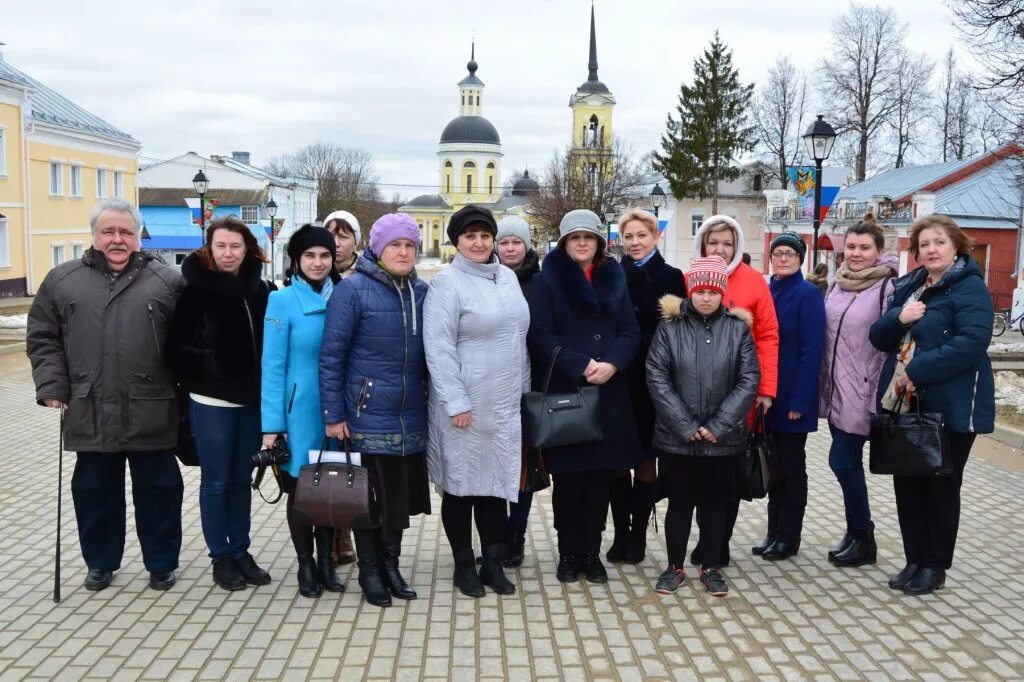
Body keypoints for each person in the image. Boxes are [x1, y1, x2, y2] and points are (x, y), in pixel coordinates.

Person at [27, 198, 185, 592]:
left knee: (160, 491)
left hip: (152, 406)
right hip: (89, 404)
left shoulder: (167, 282)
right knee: (95, 491)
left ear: (138, 236)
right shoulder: (63, 281)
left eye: (125, 232)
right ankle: (100, 562)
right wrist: (51, 386)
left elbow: (191, 342)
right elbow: (43, 336)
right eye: (109, 232)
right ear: (95, 235)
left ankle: (161, 563)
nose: (117, 239)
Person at [869, 214, 993, 596]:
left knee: (940, 486)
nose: (931, 249)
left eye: (939, 242)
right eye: (924, 244)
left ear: (956, 246)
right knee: (908, 483)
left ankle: (934, 565)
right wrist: (899, 317)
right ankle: (914, 559)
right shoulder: (912, 287)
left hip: (951, 406)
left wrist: (919, 370)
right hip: (905, 403)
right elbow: (878, 337)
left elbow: (973, 341)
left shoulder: (968, 288)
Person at [320, 213, 432, 608]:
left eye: (409, 246)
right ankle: (370, 570)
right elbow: (332, 355)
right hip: (366, 415)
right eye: (395, 245)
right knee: (369, 500)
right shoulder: (353, 291)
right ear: (378, 248)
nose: (403, 252)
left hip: (409, 415)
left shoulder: (421, 291)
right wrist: (334, 415)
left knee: (398, 501)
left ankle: (391, 564)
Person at [528, 209, 641, 584]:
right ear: (564, 242)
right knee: (570, 480)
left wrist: (612, 364)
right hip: (567, 393)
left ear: (598, 242)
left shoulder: (615, 277)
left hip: (608, 394)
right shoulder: (548, 281)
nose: (581, 243)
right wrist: (578, 365)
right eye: (574, 237)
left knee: (599, 482)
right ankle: (568, 553)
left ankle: (591, 554)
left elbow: (630, 332)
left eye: (588, 237)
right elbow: (541, 334)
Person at [424, 206, 530, 598]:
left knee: (494, 487)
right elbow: (437, 348)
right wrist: (456, 402)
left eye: (486, 235)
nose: (480, 242)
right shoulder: (447, 284)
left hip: (503, 402)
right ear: (457, 241)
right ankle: (463, 566)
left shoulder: (507, 278)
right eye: (470, 235)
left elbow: (520, 338)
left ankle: (493, 562)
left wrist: (524, 391)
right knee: (461, 487)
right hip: (465, 405)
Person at [168, 216, 274, 592]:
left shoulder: (261, 291)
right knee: (216, 481)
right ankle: (221, 557)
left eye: (235, 246)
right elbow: (176, 350)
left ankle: (241, 550)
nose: (228, 253)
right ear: (209, 249)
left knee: (241, 480)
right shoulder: (193, 291)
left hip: (251, 403)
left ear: (247, 250)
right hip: (211, 400)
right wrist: (214, 367)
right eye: (221, 246)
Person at [646, 256, 759, 597]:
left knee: (714, 505)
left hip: (722, 440)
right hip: (678, 439)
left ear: (722, 292)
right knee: (679, 504)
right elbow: (656, 376)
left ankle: (710, 566)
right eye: (700, 290)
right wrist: (685, 424)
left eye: (713, 291)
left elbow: (748, 379)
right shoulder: (669, 328)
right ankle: (674, 566)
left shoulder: (738, 330)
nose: (706, 297)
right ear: (690, 292)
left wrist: (719, 425)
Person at [261, 225, 345, 598]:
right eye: (309, 255)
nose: (317, 262)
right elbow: (272, 366)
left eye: (324, 255)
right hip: (299, 413)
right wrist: (273, 424)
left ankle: (328, 561)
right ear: (296, 259)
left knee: (329, 489)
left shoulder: (344, 296)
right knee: (301, 490)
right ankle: (306, 564)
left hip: (338, 411)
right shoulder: (282, 301)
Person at [690, 216, 779, 567]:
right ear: (703, 243)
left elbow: (769, 336)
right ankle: (705, 537)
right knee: (699, 472)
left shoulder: (754, 282)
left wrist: (766, 389)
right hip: (696, 393)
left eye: (727, 243)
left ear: (737, 246)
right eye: (714, 242)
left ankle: (720, 541)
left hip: (739, 393)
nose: (720, 249)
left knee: (727, 472)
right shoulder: (691, 278)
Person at [819, 213, 898, 567]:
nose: (856, 253)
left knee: (842, 461)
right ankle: (855, 533)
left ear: (879, 252)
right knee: (845, 462)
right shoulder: (839, 283)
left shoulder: (887, 287)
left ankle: (864, 536)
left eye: (864, 248)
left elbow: (889, 340)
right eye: (851, 246)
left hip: (865, 390)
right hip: (836, 388)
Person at [609, 208, 686, 565]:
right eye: (628, 236)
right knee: (615, 463)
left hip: (653, 382)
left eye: (642, 235)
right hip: (618, 380)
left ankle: (638, 535)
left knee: (644, 461)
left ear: (656, 236)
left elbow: (678, 330)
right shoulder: (612, 274)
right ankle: (620, 534)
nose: (635, 242)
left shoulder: (672, 276)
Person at [756, 233, 825, 561]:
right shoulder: (770, 290)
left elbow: (813, 351)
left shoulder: (807, 294)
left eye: (789, 254)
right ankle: (773, 532)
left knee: (792, 468)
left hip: (794, 397)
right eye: (777, 254)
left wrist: (800, 400)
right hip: (768, 395)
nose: (782, 259)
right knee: (775, 466)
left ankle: (788, 537)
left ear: (800, 258)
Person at [493, 215, 541, 568]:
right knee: (494, 466)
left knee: (523, 469)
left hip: (530, 387)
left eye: (516, 242)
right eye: (504, 242)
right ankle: (496, 536)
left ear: (527, 246)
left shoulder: (541, 283)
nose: (510, 248)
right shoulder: (487, 279)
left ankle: (516, 535)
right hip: (491, 388)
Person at [320, 209, 361, 566]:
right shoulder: (312, 276)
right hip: (320, 380)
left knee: (348, 462)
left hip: (357, 384)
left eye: (344, 235)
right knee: (321, 461)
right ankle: (325, 538)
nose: (336, 241)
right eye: (330, 233)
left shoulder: (363, 278)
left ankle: (344, 531)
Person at [323, 210, 361, 280]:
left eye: (343, 237)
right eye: (331, 236)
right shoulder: (313, 272)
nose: (336, 243)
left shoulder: (366, 274)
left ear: (355, 242)